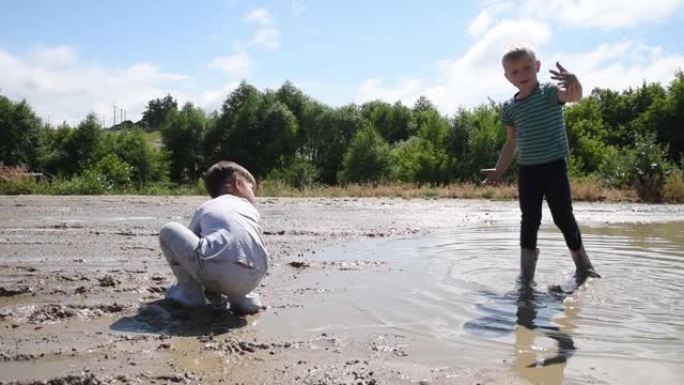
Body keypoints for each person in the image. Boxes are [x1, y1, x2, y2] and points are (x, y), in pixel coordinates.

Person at [481, 46, 600, 287]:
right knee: (529, 219)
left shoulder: (548, 92)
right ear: (507, 77)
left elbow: (573, 96)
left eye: (526, 67)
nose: (521, 74)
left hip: (554, 166)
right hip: (528, 171)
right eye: (514, 72)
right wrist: (499, 169)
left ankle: (584, 265)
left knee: (563, 215)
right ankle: (526, 276)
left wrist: (574, 82)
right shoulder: (510, 107)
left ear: (536, 67)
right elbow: (511, 141)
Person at [158, 161, 268, 314]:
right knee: (242, 249)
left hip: (217, 269)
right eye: (252, 188)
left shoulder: (207, 206)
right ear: (238, 183)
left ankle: (190, 294)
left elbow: (188, 251)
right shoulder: (251, 210)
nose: (254, 194)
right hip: (255, 275)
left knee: (168, 230)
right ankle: (242, 299)